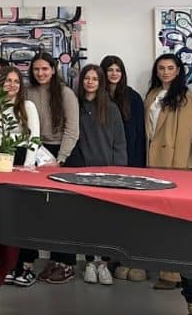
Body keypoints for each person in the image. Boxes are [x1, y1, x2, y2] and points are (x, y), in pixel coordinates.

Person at [0, 66, 51, 288]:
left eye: (16, 81)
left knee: (25, 217)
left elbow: (34, 138)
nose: (12, 85)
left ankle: (26, 265)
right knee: (5, 216)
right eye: (8, 81)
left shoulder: (28, 107)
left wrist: (28, 167)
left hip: (23, 162)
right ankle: (8, 265)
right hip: (0, 162)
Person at [145, 53, 192, 290]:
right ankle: (164, 267)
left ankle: (173, 274)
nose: (165, 72)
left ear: (178, 70)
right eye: (161, 68)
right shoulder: (153, 94)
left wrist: (176, 172)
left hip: (176, 165)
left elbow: (185, 137)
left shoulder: (186, 98)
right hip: (154, 161)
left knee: (175, 220)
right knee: (159, 220)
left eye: (170, 68)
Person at [26, 52, 80, 284]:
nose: (41, 73)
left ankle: (65, 263)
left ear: (53, 69)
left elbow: (72, 129)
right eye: (36, 69)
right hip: (36, 152)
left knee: (63, 213)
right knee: (37, 211)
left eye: (45, 69)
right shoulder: (27, 92)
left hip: (62, 155)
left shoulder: (66, 93)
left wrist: (60, 159)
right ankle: (39, 260)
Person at [71, 64, 127, 285]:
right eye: (87, 78)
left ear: (101, 82)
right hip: (82, 171)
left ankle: (103, 264)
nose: (90, 82)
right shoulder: (75, 106)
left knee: (106, 221)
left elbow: (119, 143)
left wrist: (118, 171)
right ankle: (89, 263)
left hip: (107, 172)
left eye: (95, 78)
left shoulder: (111, 108)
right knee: (86, 220)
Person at [100, 55, 148, 283]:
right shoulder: (96, 96)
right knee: (109, 217)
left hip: (129, 163)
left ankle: (134, 260)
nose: (113, 74)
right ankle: (112, 260)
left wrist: (137, 167)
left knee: (132, 215)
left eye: (117, 70)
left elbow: (139, 135)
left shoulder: (133, 97)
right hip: (102, 166)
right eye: (109, 70)